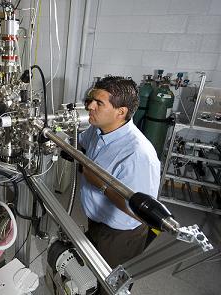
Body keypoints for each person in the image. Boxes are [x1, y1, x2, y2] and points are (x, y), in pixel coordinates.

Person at [79, 76, 160, 286]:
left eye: (99, 103)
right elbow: (81, 143)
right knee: (91, 277)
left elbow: (140, 212)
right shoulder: (97, 129)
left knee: (111, 285)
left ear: (121, 112)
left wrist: (100, 183)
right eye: (91, 100)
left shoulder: (138, 154)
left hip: (120, 235)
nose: (90, 106)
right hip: (96, 221)